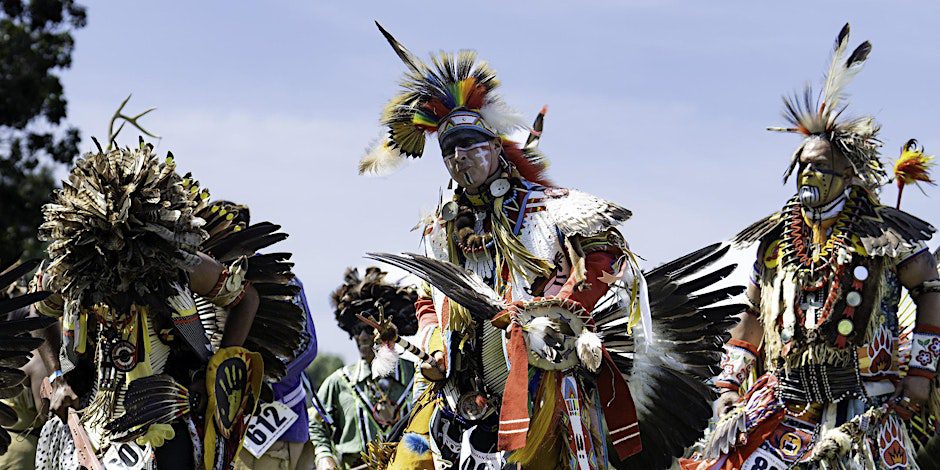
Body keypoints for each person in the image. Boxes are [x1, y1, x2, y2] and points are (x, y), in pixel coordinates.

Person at [360, 23, 745, 469]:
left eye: (468, 145)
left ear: (496, 148)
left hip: (541, 380)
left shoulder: (550, 210)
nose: (458, 157)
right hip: (459, 386)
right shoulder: (439, 228)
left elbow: (604, 257)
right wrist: (430, 338)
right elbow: (430, 295)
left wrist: (559, 311)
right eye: (448, 150)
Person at [685, 24, 940, 469]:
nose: (807, 174)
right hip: (784, 405)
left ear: (848, 172)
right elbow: (750, 319)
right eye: (801, 165)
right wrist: (729, 386)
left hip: (867, 407)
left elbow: (931, 290)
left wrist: (920, 374)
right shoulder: (775, 242)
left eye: (819, 165)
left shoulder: (886, 237)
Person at [32, 133, 307, 469]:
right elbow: (39, 310)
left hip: (166, 416)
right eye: (105, 249)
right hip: (89, 417)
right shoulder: (72, 270)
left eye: (124, 246)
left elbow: (246, 299)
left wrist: (215, 372)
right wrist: (58, 375)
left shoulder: (182, 266)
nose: (115, 258)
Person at [310, 267, 418, 470]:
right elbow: (316, 424)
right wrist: (324, 456)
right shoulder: (339, 382)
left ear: (389, 332)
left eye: (370, 329)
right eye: (357, 330)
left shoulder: (417, 376)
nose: (363, 337)